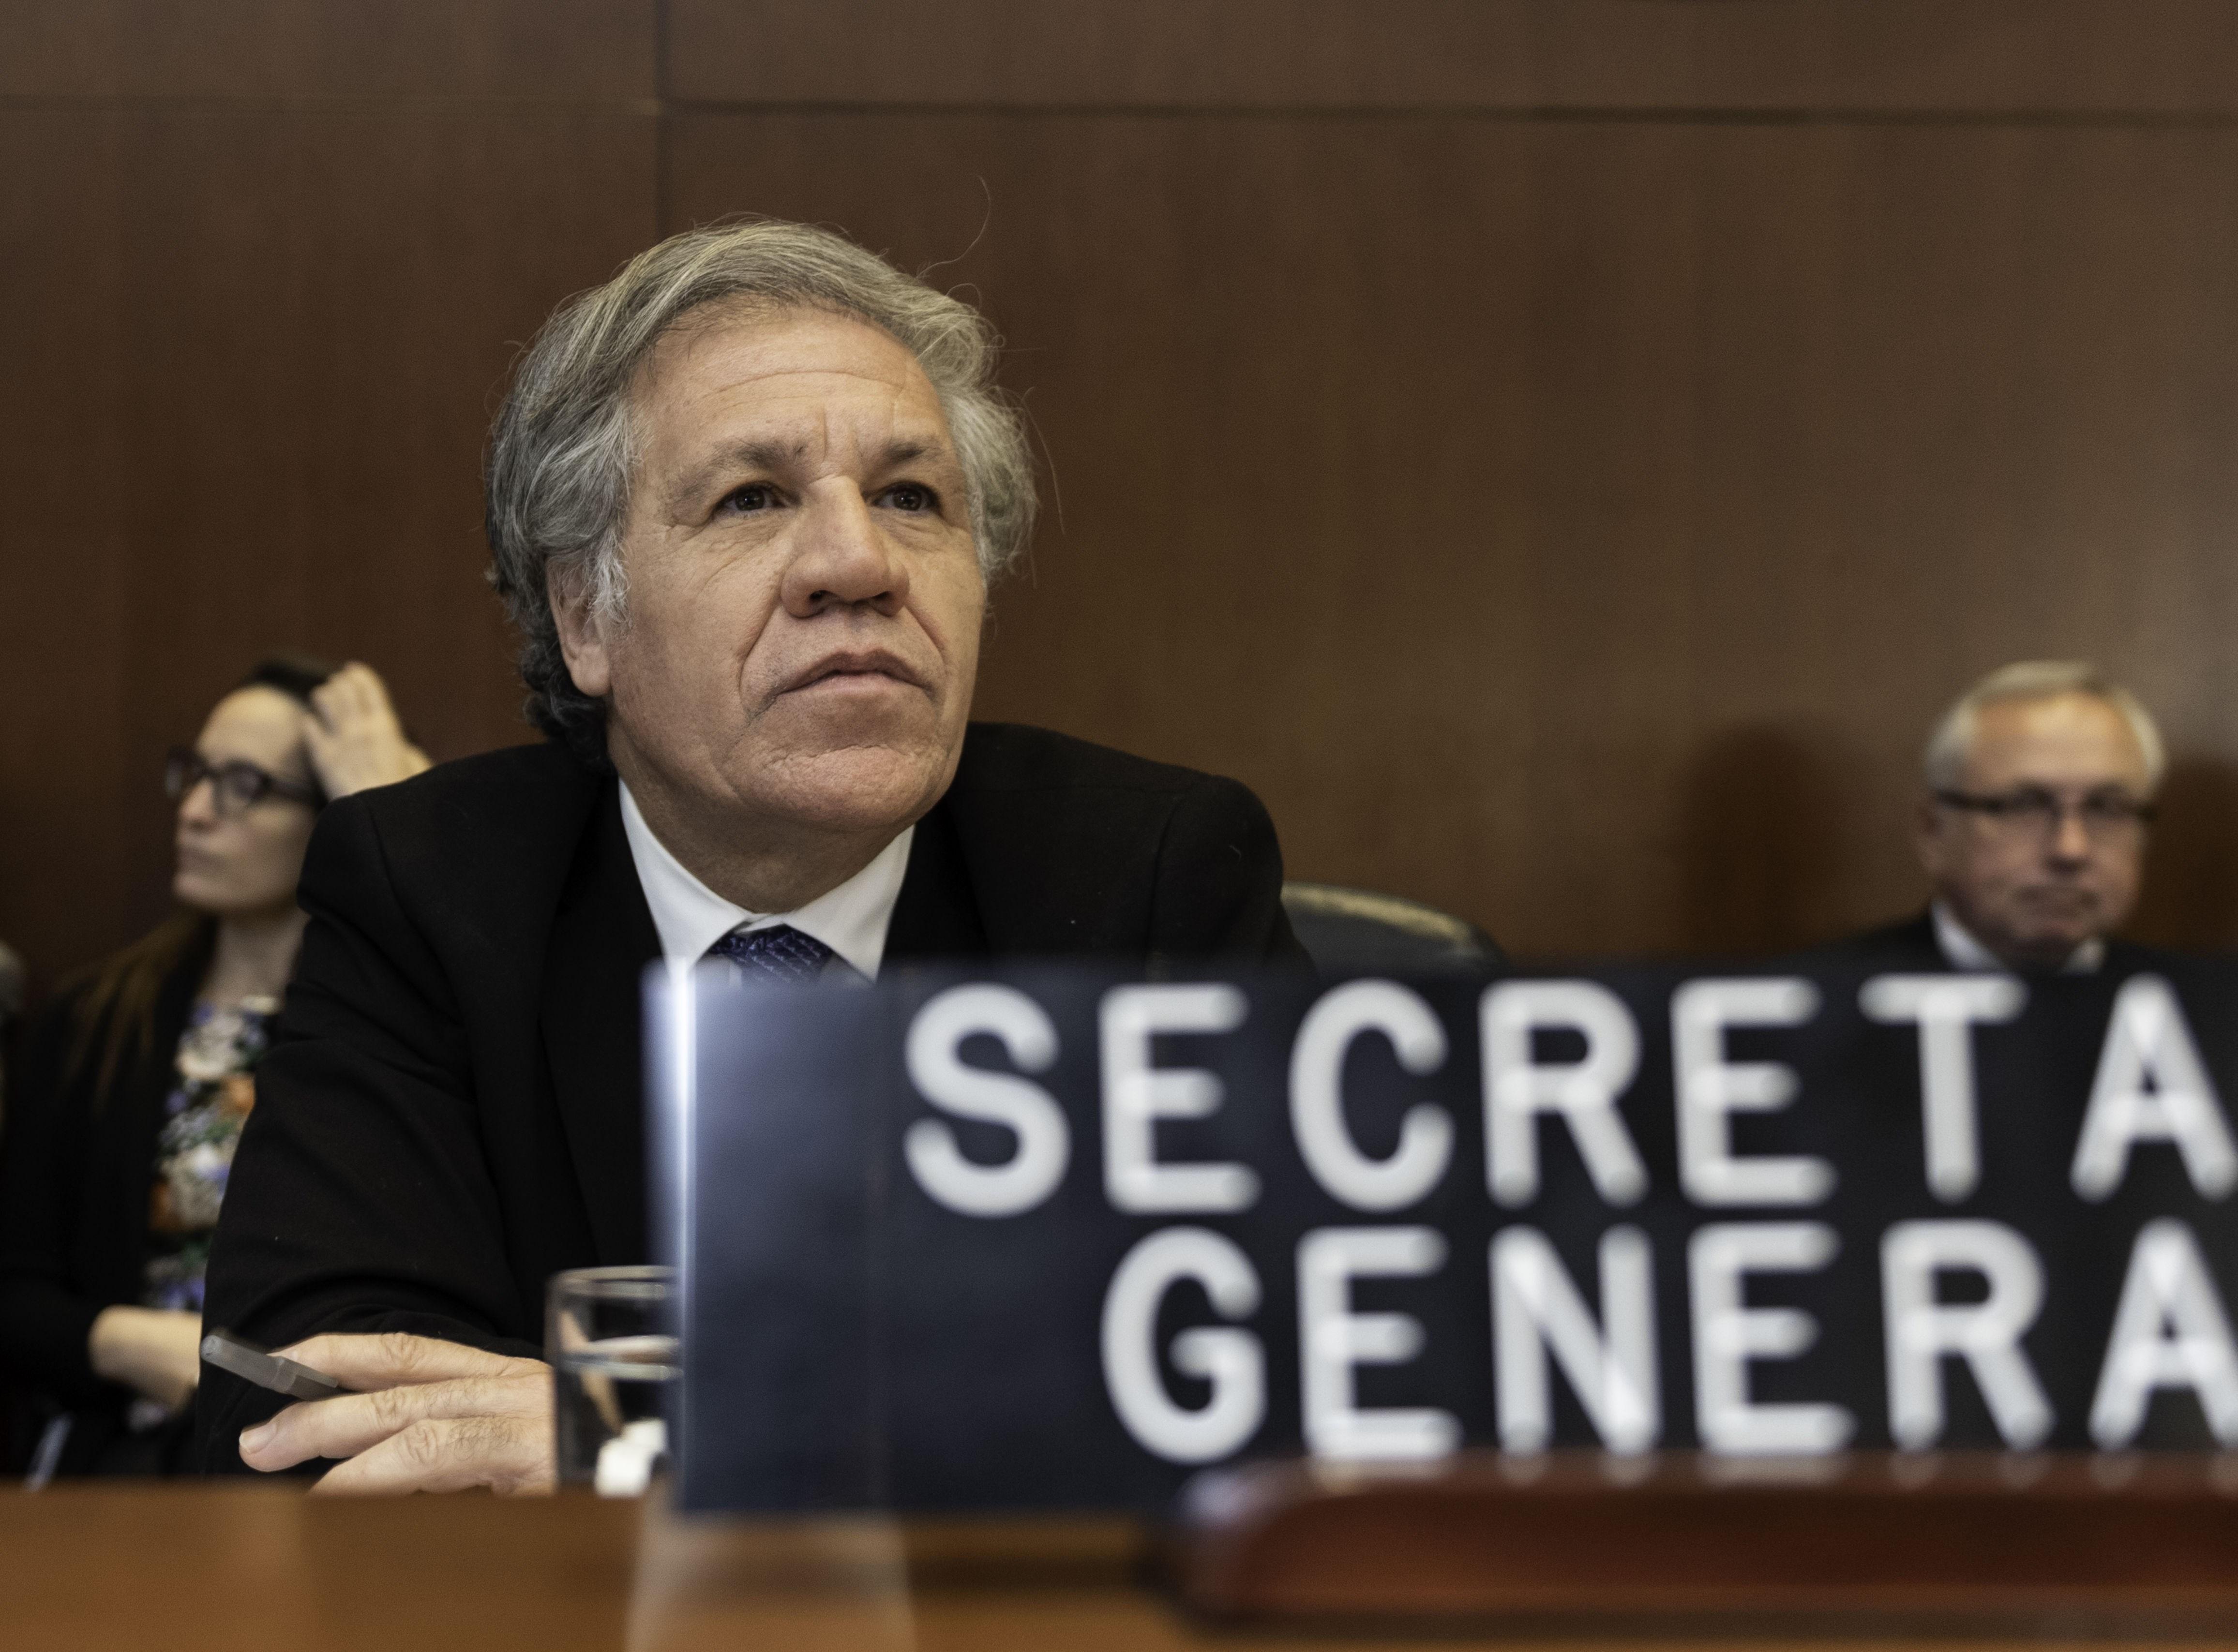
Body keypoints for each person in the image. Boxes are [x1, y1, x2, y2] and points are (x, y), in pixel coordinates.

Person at [196, 220, 1308, 1492]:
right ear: (583, 614)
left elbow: (1301, 1378)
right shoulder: (433, 886)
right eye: (752, 497)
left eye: (910, 496)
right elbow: (288, 1404)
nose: (859, 563)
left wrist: (646, 1424)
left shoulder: (1144, 875)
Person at [0, 658, 429, 1479]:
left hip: (331, 1460)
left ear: (329, 814)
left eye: (242, 785)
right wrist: (123, 1342)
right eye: (195, 775)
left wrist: (395, 828)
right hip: (122, 1455)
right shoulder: (99, 1020)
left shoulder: (389, 1029)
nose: (194, 811)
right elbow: (15, 1288)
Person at [1824, 661, 2163, 975]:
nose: (2070, 850)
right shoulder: (1808, 1017)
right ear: (1934, 831)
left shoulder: (2204, 1013)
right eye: (2024, 806)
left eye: (2106, 809)